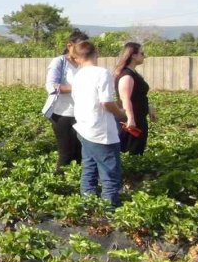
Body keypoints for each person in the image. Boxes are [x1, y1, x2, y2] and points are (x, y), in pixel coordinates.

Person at [71, 41, 127, 208]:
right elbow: (106, 103)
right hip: (101, 131)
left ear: (78, 57)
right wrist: (121, 114)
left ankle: (88, 204)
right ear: (96, 53)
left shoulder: (78, 75)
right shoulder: (102, 73)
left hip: (83, 127)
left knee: (89, 167)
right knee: (110, 173)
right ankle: (110, 209)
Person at [42, 29, 88, 170]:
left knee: (80, 153)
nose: (83, 50)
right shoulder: (60, 62)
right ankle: (58, 186)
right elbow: (51, 86)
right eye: (80, 47)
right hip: (62, 115)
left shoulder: (84, 64)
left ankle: (75, 186)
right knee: (66, 154)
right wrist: (79, 88)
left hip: (81, 114)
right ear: (70, 46)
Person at [114, 42, 155, 155]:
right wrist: (130, 119)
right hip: (131, 121)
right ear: (133, 55)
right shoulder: (127, 75)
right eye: (142, 53)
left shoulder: (133, 73)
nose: (144, 56)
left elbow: (138, 95)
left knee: (137, 149)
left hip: (138, 117)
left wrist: (149, 107)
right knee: (131, 150)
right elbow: (125, 99)